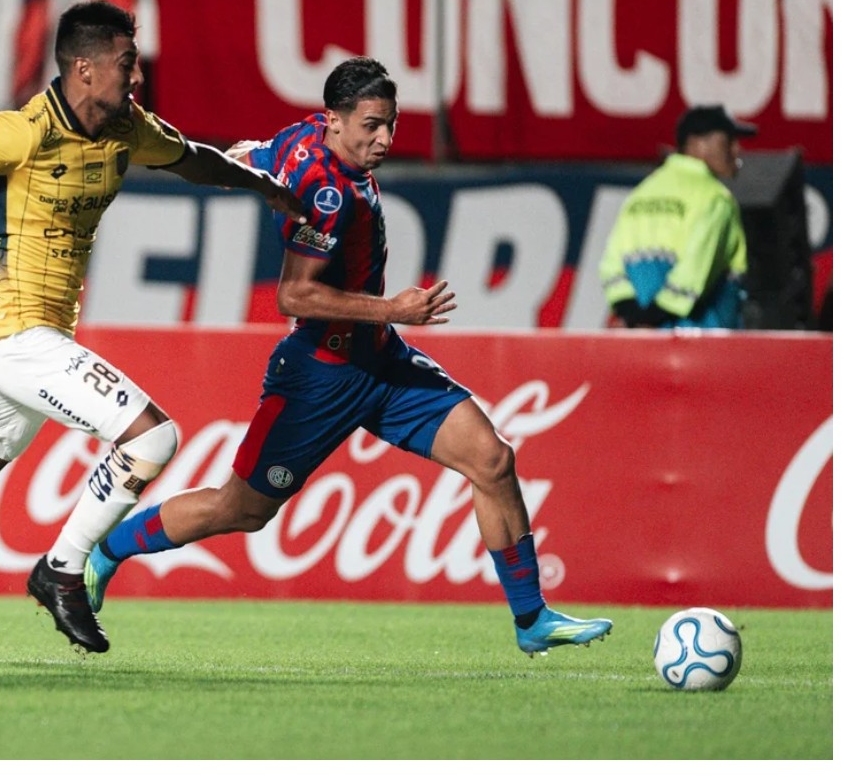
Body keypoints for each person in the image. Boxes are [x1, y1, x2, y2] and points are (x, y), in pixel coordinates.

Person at [82, 56, 613, 657]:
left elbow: (250, 154)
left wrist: (243, 165)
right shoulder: (327, 193)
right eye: (371, 126)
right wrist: (395, 309)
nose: (384, 139)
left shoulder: (306, 135)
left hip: (381, 364)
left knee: (492, 460)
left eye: (390, 124)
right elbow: (293, 295)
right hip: (320, 375)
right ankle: (107, 550)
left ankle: (531, 618)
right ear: (335, 120)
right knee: (242, 509)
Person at [0, 0, 306, 663]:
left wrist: (262, 185)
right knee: (153, 438)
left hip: (35, 340)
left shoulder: (125, 128)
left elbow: (193, 159)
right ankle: (62, 567)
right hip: (13, 335)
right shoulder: (20, 132)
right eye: (126, 62)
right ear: (84, 68)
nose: (136, 75)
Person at [599, 104, 757, 329]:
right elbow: (694, 273)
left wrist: (636, 317)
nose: (737, 149)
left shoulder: (639, 195)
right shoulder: (715, 198)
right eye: (728, 141)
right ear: (697, 144)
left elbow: (611, 266)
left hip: (643, 339)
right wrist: (654, 317)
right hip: (704, 339)